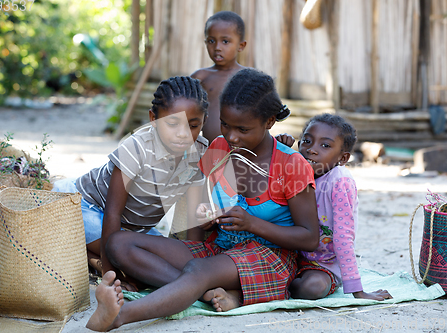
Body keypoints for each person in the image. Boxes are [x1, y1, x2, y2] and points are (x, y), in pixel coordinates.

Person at [86, 68, 320, 332]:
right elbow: (196, 214)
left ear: (269, 122)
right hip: (219, 250)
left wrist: (252, 224)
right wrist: (204, 222)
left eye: (243, 129)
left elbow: (310, 237)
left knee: (198, 270)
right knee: (119, 244)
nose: (231, 137)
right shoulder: (218, 149)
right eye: (225, 125)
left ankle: (120, 316)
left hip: (269, 256)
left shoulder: (292, 165)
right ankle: (204, 290)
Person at [52, 76, 209, 287]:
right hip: (83, 207)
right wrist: (113, 276)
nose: (183, 134)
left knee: (157, 262)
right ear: (153, 118)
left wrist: (194, 263)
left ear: (203, 122)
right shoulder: (136, 149)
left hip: (132, 230)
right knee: (134, 261)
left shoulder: (198, 151)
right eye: (172, 124)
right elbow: (112, 214)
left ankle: (92, 258)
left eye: (193, 125)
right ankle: (101, 263)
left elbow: (192, 218)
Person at [283, 113, 393, 301]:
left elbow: (343, 237)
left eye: (325, 145)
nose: (312, 150)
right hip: (287, 255)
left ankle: (281, 287)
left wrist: (357, 291)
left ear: (343, 158)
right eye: (307, 141)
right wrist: (281, 151)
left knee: (313, 288)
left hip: (322, 264)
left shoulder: (339, 181)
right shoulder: (292, 169)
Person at [191, 11, 247, 143]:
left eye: (225, 41)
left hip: (241, 151)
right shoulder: (200, 77)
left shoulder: (249, 78)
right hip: (207, 150)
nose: (217, 47)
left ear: (241, 45)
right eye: (211, 41)